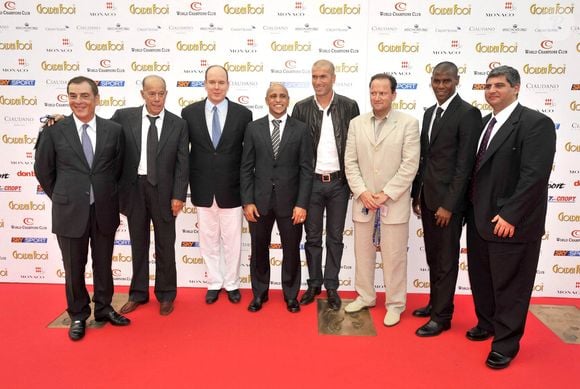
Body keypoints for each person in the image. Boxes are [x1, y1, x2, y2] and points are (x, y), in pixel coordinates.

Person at [466, 65, 556, 369]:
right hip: (479, 219)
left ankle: (506, 344)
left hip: (511, 224)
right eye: (488, 85)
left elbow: (534, 176)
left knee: (511, 286)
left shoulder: (535, 123)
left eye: (500, 85)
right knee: (482, 278)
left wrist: (510, 215)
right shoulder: (483, 123)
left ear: (516, 88)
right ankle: (487, 323)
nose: (492, 90)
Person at [34, 76, 129, 341]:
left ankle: (103, 308)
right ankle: (77, 314)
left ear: (96, 99)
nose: (79, 101)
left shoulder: (113, 130)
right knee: (74, 267)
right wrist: (64, 196)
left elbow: (118, 169)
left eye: (85, 96)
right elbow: (43, 170)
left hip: (104, 209)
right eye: (73, 96)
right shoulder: (54, 131)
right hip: (69, 211)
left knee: (103, 264)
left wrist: (104, 194)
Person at [410, 62, 482, 336]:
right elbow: (425, 159)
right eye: (437, 81)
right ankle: (435, 303)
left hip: (447, 205)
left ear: (456, 81)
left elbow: (465, 165)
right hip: (427, 198)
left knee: (446, 259)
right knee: (433, 256)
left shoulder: (468, 113)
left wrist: (449, 205)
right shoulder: (429, 113)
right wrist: (418, 194)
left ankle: (442, 317)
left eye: (446, 81)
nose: (441, 86)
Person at [344, 73, 420, 327]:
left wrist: (386, 194)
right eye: (373, 93)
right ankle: (365, 295)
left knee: (394, 256)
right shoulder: (357, 123)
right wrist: (363, 192)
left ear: (393, 95)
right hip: (363, 202)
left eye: (383, 93)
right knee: (363, 254)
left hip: (393, 203)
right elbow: (350, 162)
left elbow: (410, 165)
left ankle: (395, 303)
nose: (377, 97)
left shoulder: (408, 124)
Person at [110, 75, 189, 316]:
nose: (156, 98)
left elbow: (182, 163)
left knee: (166, 245)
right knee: (139, 243)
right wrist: (62, 122)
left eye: (161, 93)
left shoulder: (178, 124)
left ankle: (166, 295)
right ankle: (138, 293)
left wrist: (179, 195)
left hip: (165, 194)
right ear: (142, 94)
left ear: (166, 94)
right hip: (134, 189)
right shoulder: (123, 117)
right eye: (151, 93)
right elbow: (102, 135)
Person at [291, 59, 360, 311]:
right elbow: (295, 151)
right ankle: (313, 284)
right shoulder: (300, 108)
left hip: (339, 184)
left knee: (335, 237)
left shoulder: (349, 106)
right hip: (311, 184)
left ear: (333, 78)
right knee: (311, 238)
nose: (318, 81)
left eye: (323, 76)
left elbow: (355, 146)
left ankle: (331, 285)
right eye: (314, 76)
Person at [181, 65, 253, 304]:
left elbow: (247, 157)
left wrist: (247, 191)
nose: (216, 86)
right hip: (202, 188)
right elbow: (184, 153)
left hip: (232, 189)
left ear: (228, 85)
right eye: (212, 82)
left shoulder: (243, 115)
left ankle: (232, 283)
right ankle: (214, 282)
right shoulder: (189, 113)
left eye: (221, 82)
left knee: (232, 241)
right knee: (209, 239)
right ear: (205, 84)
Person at [240, 83, 313, 313]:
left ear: (288, 99)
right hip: (259, 202)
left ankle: (291, 295)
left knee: (291, 250)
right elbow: (246, 168)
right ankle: (259, 294)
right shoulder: (253, 128)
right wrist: (248, 201)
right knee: (259, 248)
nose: (278, 99)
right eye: (273, 96)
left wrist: (302, 203)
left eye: (282, 96)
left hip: (291, 203)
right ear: (266, 99)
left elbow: (306, 170)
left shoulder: (301, 129)